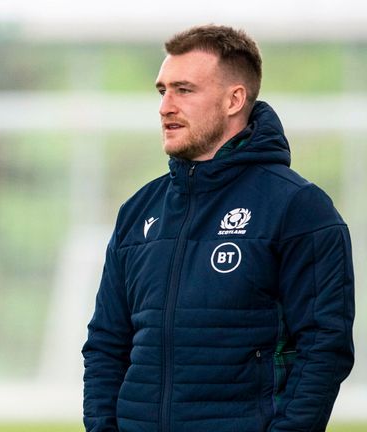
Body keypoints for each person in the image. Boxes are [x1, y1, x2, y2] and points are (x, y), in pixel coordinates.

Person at [82, 25, 354, 432]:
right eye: (162, 91)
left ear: (234, 99)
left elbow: (324, 347)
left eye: (184, 90)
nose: (165, 107)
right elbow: (105, 343)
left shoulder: (299, 208)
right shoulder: (138, 211)